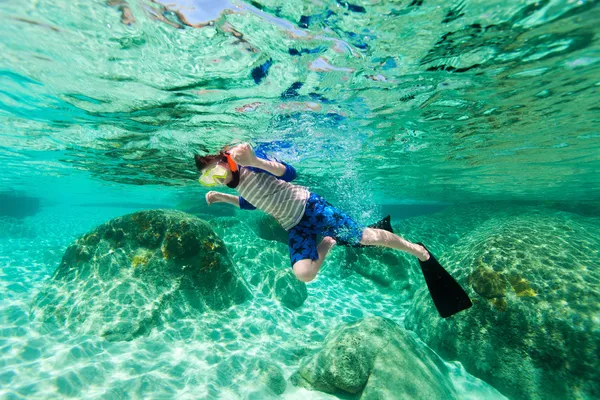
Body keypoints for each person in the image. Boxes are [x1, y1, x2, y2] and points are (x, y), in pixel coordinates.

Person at [194, 143, 472, 318]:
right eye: (210, 181)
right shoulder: (237, 185)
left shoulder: (247, 161)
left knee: (366, 237)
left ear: (223, 159)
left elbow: (289, 174)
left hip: (309, 206)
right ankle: (328, 243)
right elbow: (252, 203)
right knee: (304, 273)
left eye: (216, 172)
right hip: (294, 226)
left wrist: (255, 160)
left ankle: (417, 250)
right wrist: (223, 198)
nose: (218, 180)